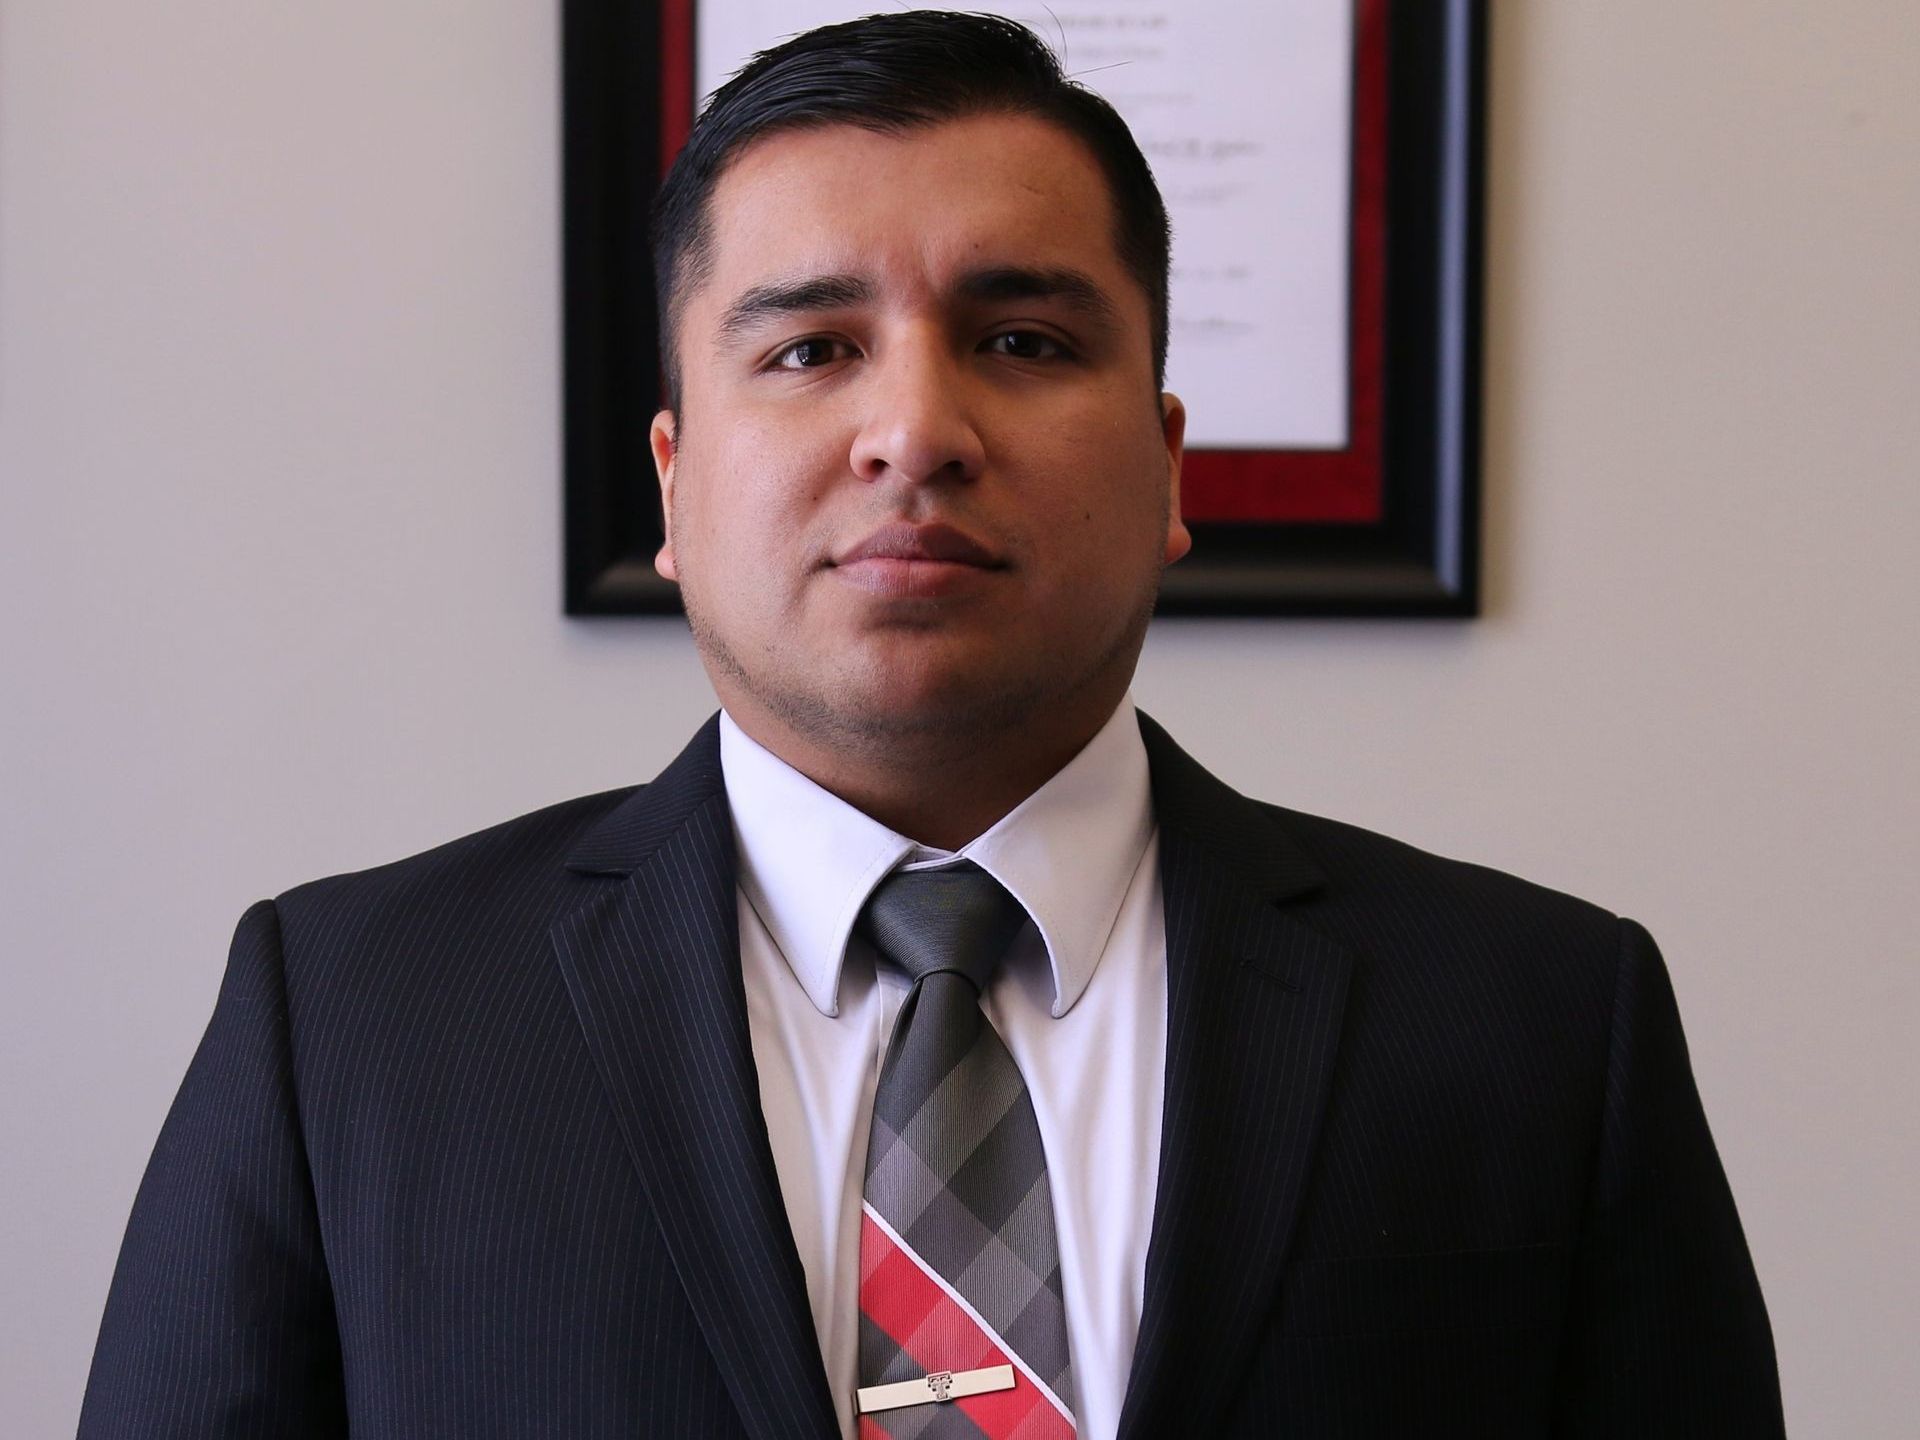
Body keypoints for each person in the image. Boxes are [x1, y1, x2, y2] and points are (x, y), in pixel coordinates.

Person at [80, 12, 1783, 1439]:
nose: (916, 427)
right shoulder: (350, 1028)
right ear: (674, 484)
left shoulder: (1549, 1028)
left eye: (1024, 338)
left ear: (1171, 465)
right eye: (813, 349)